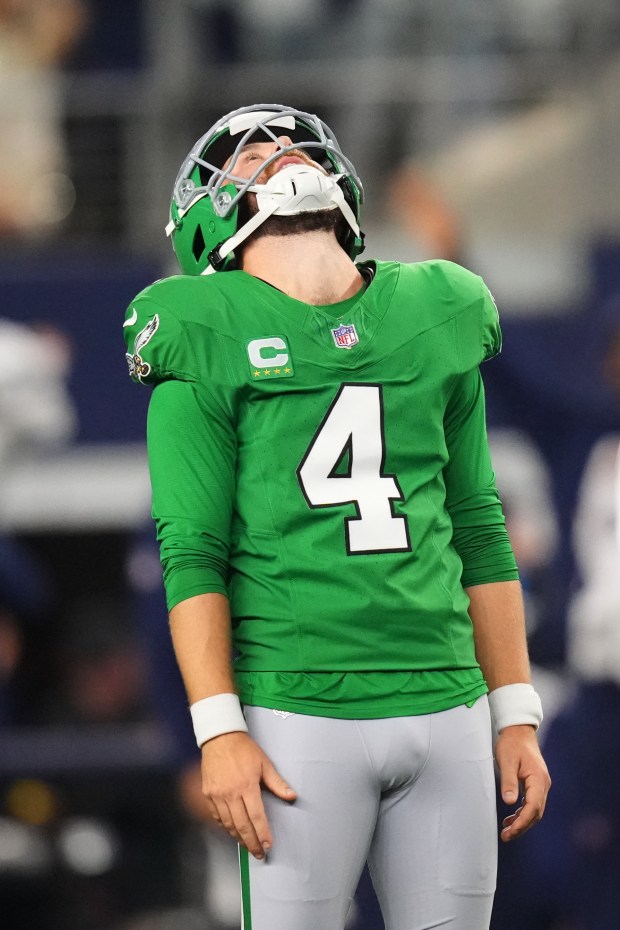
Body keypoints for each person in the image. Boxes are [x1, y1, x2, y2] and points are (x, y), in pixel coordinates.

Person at [122, 104, 550, 930]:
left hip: (450, 703)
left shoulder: (438, 304)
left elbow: (480, 529)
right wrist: (217, 729)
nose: (279, 155)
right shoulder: (200, 327)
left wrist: (516, 711)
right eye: (249, 157)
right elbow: (192, 552)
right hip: (297, 711)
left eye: (289, 143)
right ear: (212, 227)